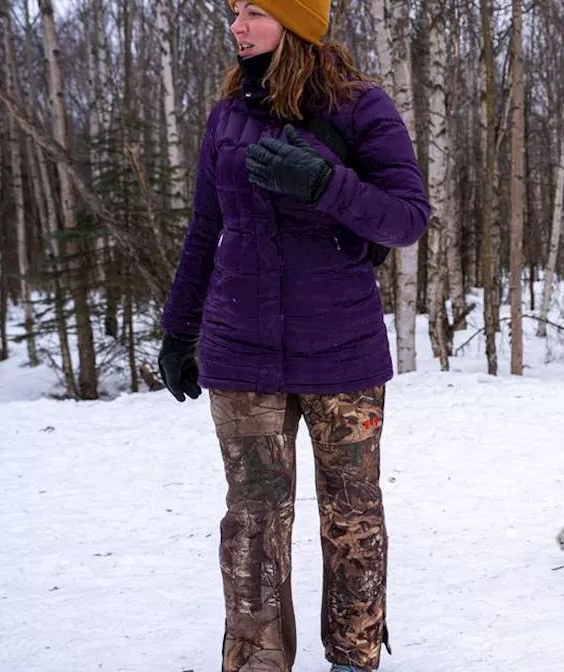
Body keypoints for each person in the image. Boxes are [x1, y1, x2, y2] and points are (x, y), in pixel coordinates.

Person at [156, 1, 429, 670]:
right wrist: (178, 331)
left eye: (255, 12)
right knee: (252, 522)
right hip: (240, 352)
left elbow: (407, 219)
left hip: (343, 356)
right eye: (234, 12)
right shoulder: (227, 117)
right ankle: (256, 662)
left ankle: (353, 657)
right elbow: (202, 230)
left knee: (352, 517)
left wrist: (323, 183)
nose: (237, 26)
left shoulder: (362, 108)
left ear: (300, 22)